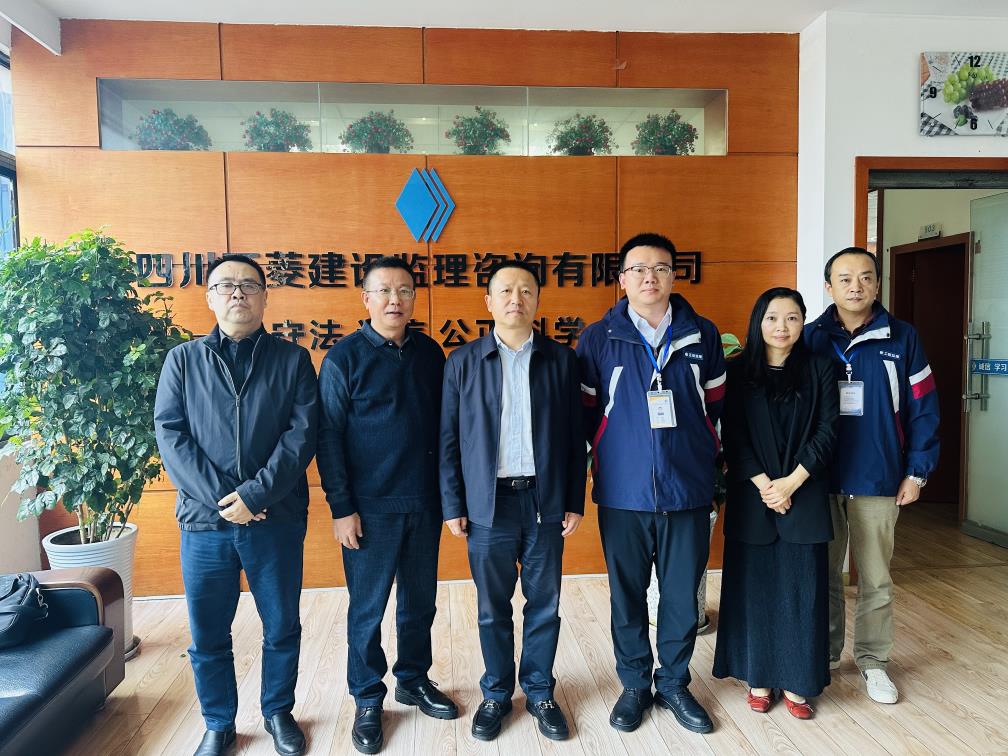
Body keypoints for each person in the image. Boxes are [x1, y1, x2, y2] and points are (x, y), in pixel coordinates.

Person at [154, 254, 318, 756]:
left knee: (281, 625)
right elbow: (171, 435)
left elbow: (302, 435)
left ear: (266, 297)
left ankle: (278, 711)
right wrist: (226, 500)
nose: (238, 294)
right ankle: (218, 723)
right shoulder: (182, 360)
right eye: (226, 286)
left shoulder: (293, 360)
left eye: (249, 285)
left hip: (275, 519)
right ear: (210, 297)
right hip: (204, 524)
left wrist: (255, 496)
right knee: (208, 632)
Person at [576, 232, 725, 735]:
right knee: (628, 596)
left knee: (681, 598)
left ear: (674, 276)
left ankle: (675, 684)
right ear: (622, 279)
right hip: (624, 493)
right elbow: (586, 415)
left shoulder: (702, 335)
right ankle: (635, 684)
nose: (649, 277)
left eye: (660, 268)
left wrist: (707, 467)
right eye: (638, 269)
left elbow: (718, 411)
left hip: (687, 491)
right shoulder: (598, 338)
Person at [316, 256, 457, 754]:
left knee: (419, 603)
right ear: (366, 298)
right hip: (368, 510)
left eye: (404, 291)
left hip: (424, 503)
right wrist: (341, 508)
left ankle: (413, 679)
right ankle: (368, 696)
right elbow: (328, 437)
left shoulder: (431, 354)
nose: (395, 300)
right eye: (384, 291)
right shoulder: (343, 358)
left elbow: (447, 430)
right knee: (368, 609)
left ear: (414, 298)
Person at [440, 260, 585, 742]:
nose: (515, 299)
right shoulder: (463, 362)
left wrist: (574, 499)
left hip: (545, 500)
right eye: (505, 290)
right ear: (488, 301)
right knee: (492, 608)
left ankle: (540, 692)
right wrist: (453, 505)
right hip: (489, 505)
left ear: (537, 301)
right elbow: (449, 441)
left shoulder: (561, 360)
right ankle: (497, 694)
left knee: (545, 605)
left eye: (525, 290)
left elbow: (575, 437)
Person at [805, 247, 939, 704]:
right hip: (819, 478)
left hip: (879, 476)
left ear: (878, 284)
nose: (855, 286)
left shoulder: (902, 338)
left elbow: (924, 408)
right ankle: (823, 657)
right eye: (844, 278)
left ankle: (873, 661)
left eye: (865, 277)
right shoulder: (810, 337)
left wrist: (917, 472)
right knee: (823, 573)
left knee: (876, 578)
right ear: (829, 287)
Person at [712, 287, 838, 719]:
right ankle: (759, 678)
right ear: (758, 322)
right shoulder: (737, 372)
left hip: (805, 493)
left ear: (803, 323)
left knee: (803, 592)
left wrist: (792, 483)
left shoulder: (820, 368)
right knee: (756, 592)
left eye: (792, 318)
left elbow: (828, 431)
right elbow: (733, 435)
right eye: (772, 318)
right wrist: (767, 486)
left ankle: (800, 683)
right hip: (754, 497)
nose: (782, 327)